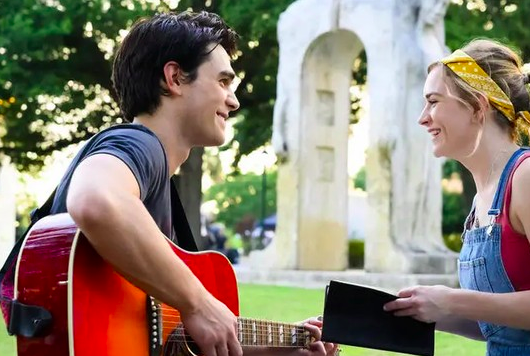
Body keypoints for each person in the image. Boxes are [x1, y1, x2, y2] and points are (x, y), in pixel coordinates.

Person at [48, 10, 336, 356]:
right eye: (223, 82)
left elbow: (173, 343)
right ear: (175, 78)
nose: (234, 100)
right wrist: (198, 302)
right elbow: (95, 199)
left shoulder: (151, 181)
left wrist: (287, 349)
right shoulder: (140, 145)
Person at [384, 39, 530, 355]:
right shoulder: (482, 199)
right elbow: (500, 323)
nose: (423, 117)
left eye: (433, 101)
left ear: (477, 106)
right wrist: (420, 309)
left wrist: (451, 299)